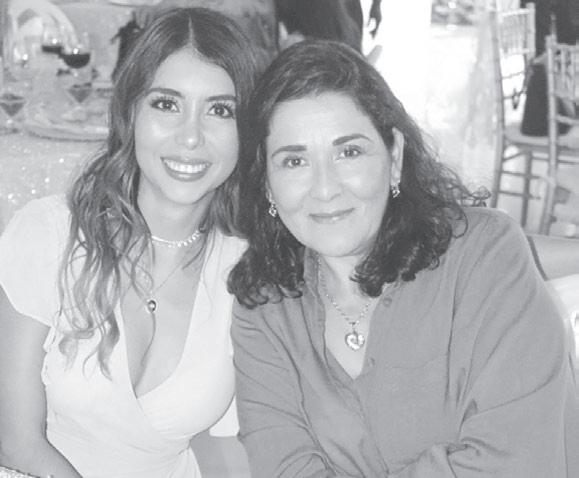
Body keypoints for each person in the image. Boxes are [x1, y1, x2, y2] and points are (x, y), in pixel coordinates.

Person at [228, 40, 578, 477]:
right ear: (266, 182)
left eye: (349, 152)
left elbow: (517, 460)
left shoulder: (485, 256)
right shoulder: (264, 305)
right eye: (294, 161)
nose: (325, 188)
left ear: (394, 158)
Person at [0, 7, 259, 478]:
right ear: (130, 112)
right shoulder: (49, 234)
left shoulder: (245, 272)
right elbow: (14, 440)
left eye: (220, 110)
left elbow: (238, 448)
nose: (191, 136)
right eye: (167, 104)